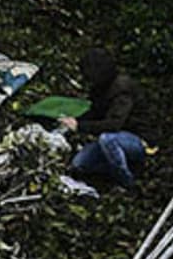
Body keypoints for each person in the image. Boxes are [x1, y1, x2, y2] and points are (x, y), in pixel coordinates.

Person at [58, 48, 150, 187]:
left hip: (136, 140)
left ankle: (127, 181)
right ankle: (114, 170)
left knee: (107, 139)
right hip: (115, 139)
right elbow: (95, 112)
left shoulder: (122, 89)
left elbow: (114, 124)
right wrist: (75, 121)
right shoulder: (100, 88)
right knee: (79, 164)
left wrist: (80, 126)